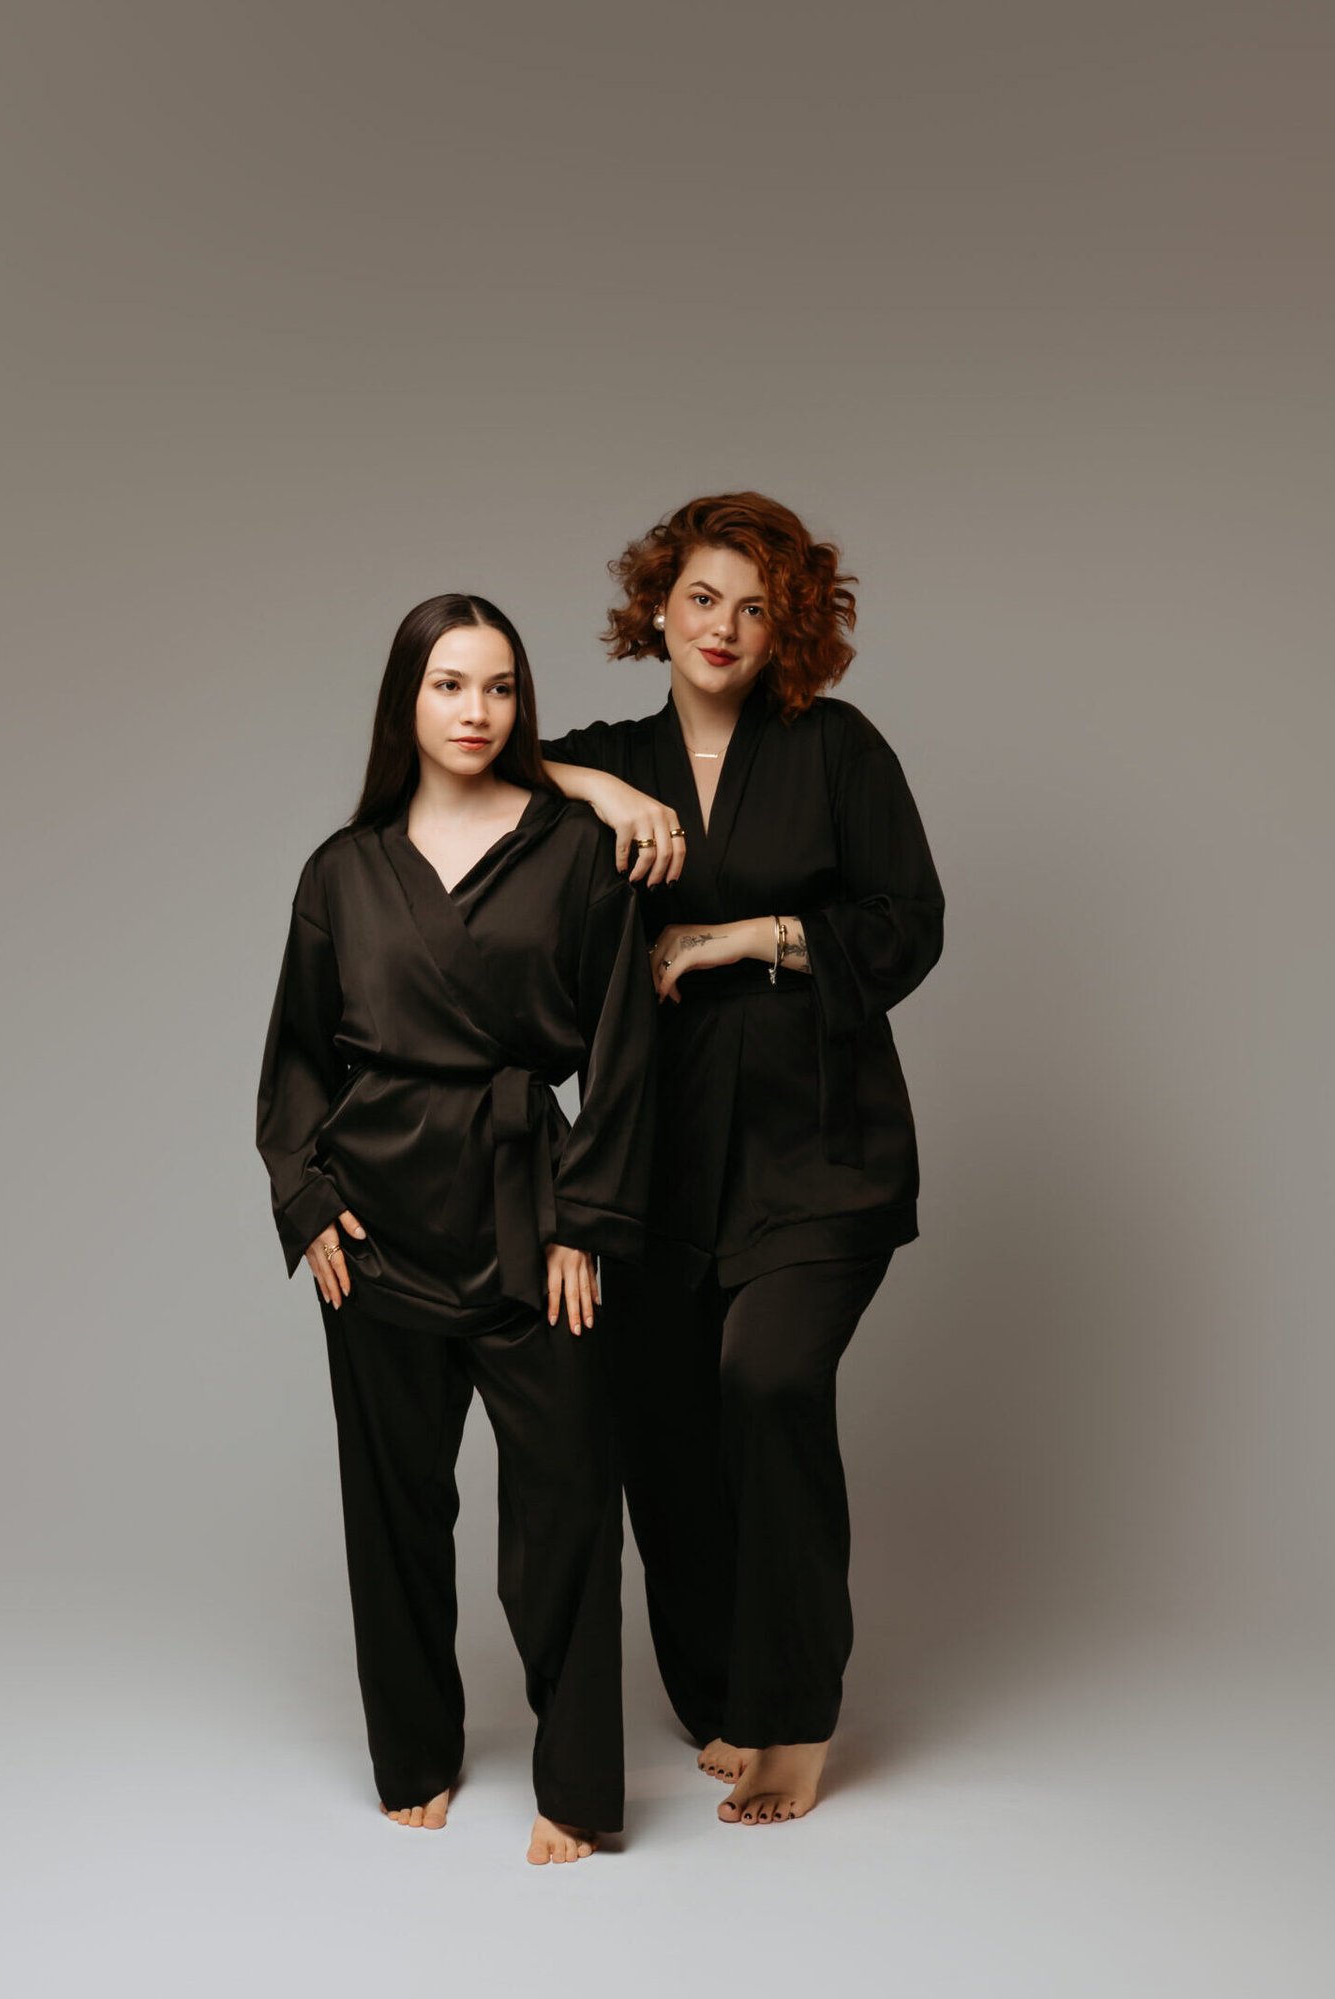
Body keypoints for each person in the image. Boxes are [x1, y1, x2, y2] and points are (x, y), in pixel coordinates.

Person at [541, 493, 944, 1827]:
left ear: (788, 630)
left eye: (755, 608)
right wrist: (600, 788)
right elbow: (464, 767)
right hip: (656, 1151)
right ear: (657, 607)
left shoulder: (835, 747)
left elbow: (909, 921)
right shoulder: (615, 756)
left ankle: (794, 1711)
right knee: (661, 1421)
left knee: (766, 1382)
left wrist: (743, 936)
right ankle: (718, 1686)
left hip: (819, 1142)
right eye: (702, 598)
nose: (723, 627)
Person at [257, 593, 655, 1865]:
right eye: (448, 684)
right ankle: (414, 1751)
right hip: (375, 1221)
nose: (475, 710)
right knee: (391, 1507)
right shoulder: (342, 868)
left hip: (528, 1212)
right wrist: (306, 1197)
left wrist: (587, 1218)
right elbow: (296, 1058)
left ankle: (577, 1785)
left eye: (498, 686)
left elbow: (624, 1052)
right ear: (407, 701)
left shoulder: (575, 850)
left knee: (568, 1504)